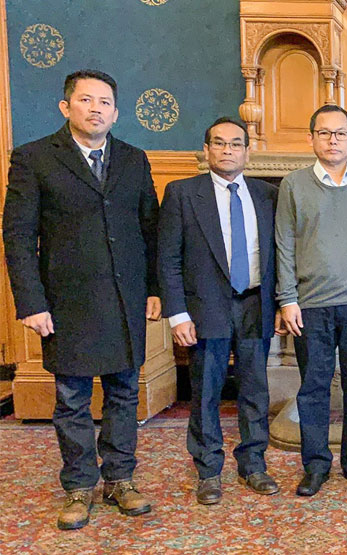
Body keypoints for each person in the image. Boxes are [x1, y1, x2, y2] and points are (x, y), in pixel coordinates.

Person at [3, 69, 160, 529]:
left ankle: (120, 479)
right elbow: (18, 236)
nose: (96, 109)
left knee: (124, 394)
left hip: (125, 298)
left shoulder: (133, 159)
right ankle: (78, 486)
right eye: (86, 100)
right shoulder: (34, 158)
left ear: (116, 112)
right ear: (65, 106)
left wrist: (155, 290)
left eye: (105, 102)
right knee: (72, 399)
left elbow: (149, 229)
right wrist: (31, 302)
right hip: (66, 303)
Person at [158, 117, 281, 505]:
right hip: (206, 307)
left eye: (236, 143)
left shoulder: (268, 194)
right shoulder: (182, 193)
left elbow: (279, 254)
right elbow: (168, 258)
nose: (228, 150)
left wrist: (280, 304)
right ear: (207, 149)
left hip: (255, 303)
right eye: (219, 143)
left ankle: (253, 464)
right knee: (206, 392)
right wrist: (178, 314)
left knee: (255, 390)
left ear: (247, 151)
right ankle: (208, 470)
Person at [276, 104, 347, 496]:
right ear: (311, 139)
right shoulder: (293, 185)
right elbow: (284, 244)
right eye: (324, 133)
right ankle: (315, 465)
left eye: (340, 133)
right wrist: (287, 299)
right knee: (313, 388)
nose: (333, 140)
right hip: (311, 305)